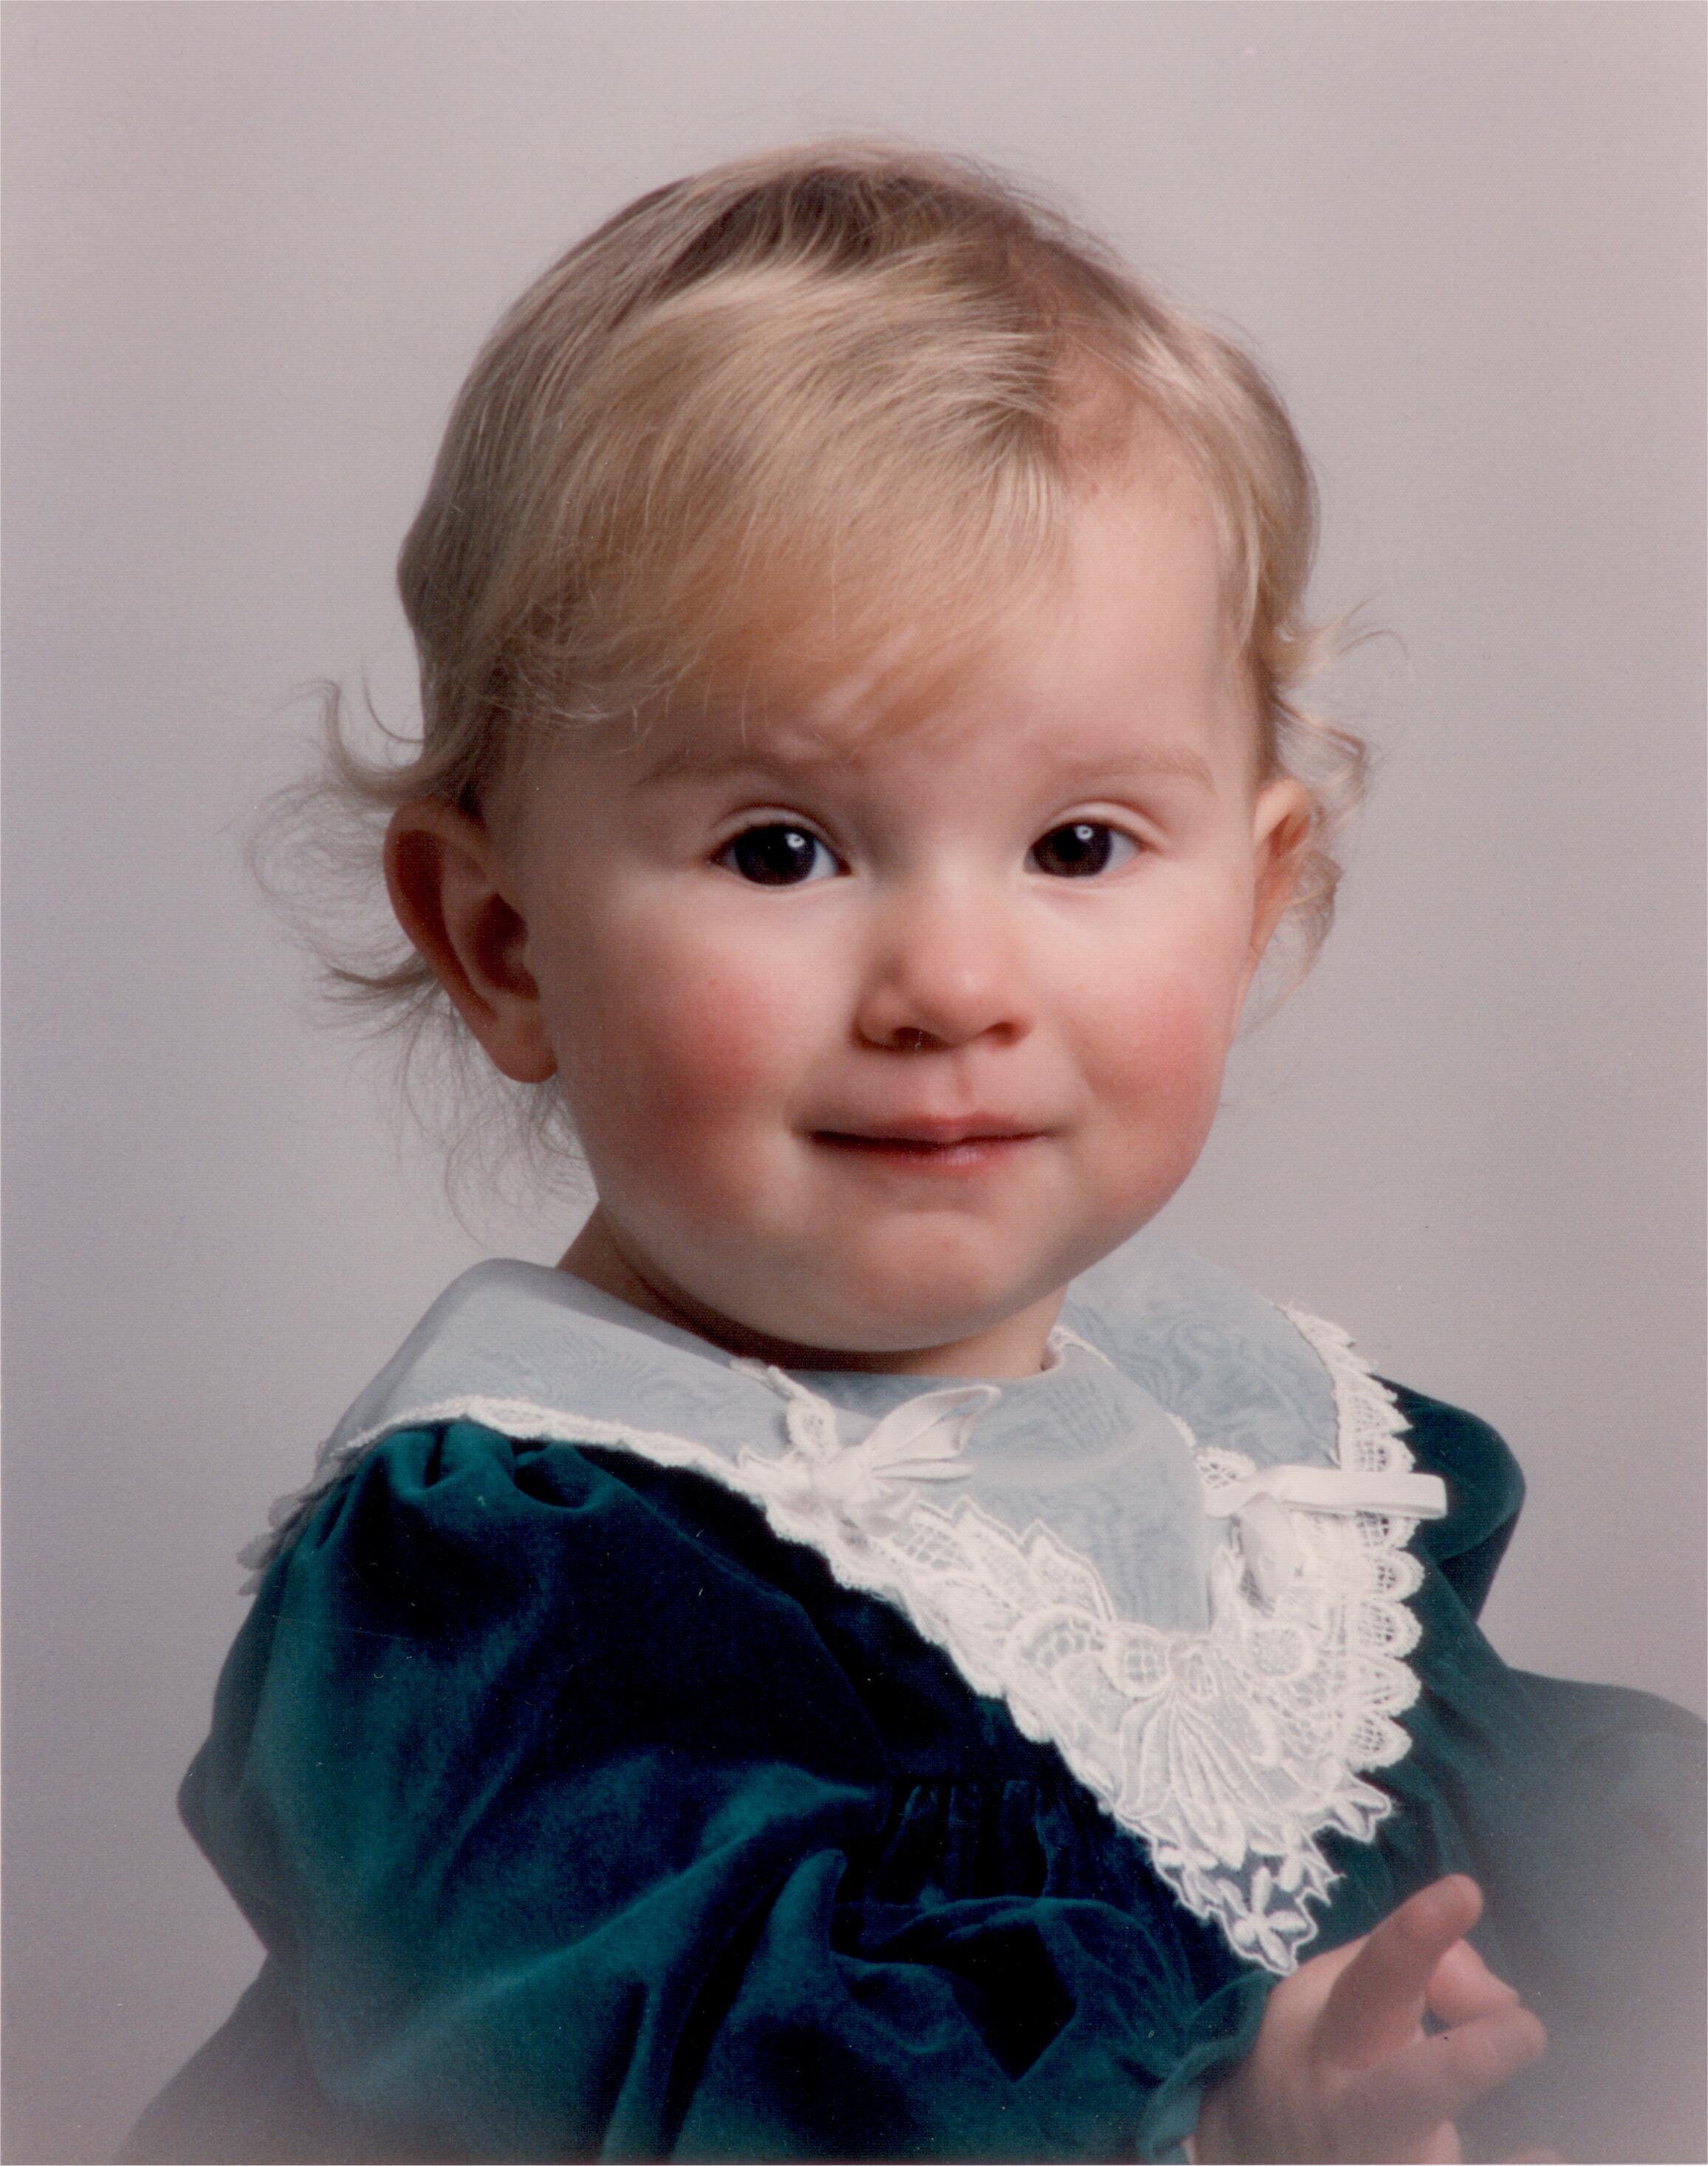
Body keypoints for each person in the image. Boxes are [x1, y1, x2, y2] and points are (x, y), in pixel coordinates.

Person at [125, 143, 1703, 2165]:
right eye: (781, 849)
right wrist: (1214, 2129)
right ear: (503, 943)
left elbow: (1528, 1845)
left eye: (1078, 844)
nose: (951, 983)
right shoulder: (521, 1581)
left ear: (1257, 894)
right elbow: (681, 2088)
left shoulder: (1237, 1455)